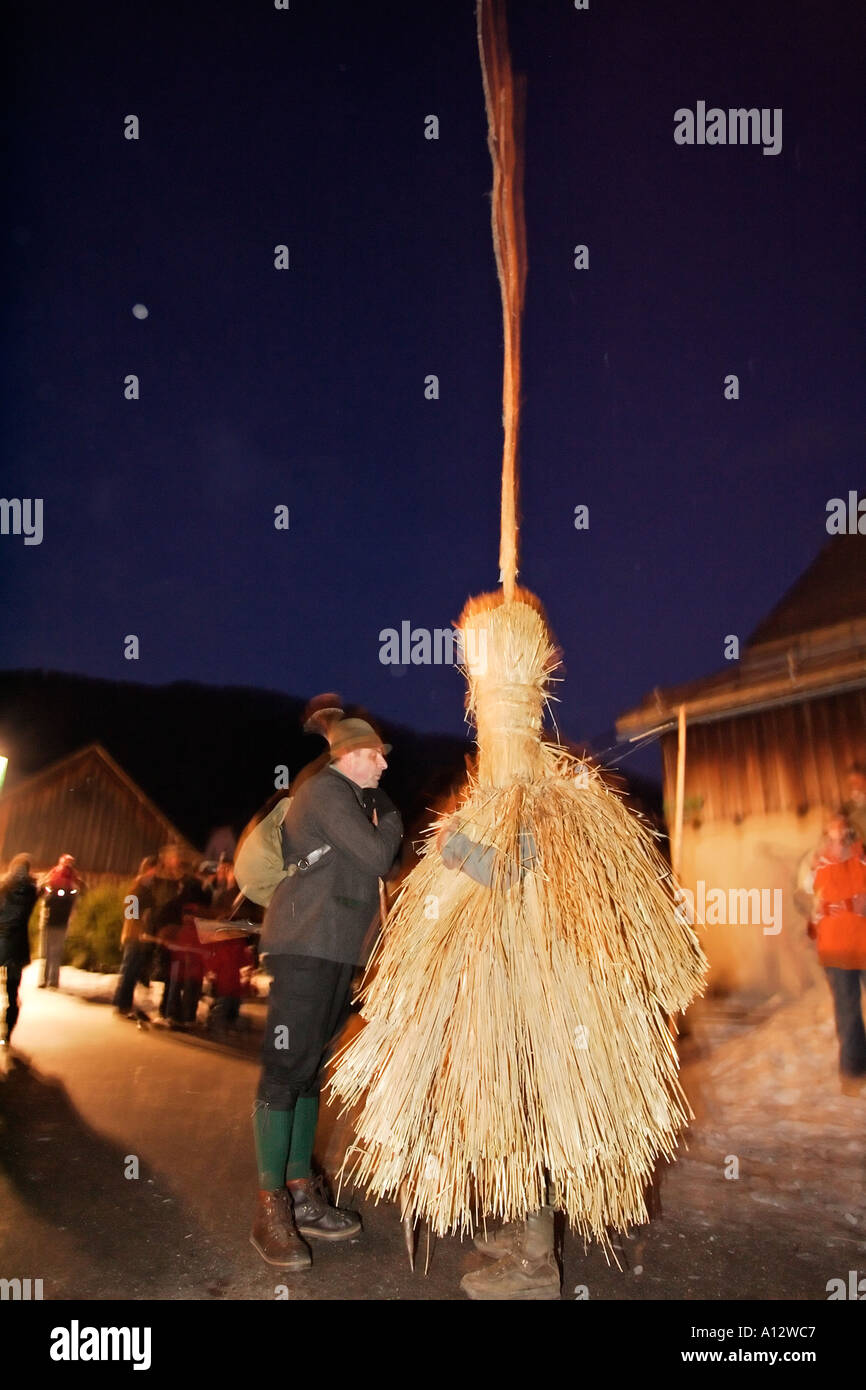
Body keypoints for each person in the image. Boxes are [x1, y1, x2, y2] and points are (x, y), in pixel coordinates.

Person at [250, 717, 402, 1270]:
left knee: (310, 1069)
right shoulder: (325, 792)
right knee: (286, 1068)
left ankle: (300, 1193)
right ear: (351, 755)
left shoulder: (351, 798)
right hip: (306, 946)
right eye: (377, 756)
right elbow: (378, 856)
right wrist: (393, 815)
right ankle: (270, 1208)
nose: (385, 764)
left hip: (336, 950)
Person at [435, 813, 560, 1300]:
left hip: (540, 986)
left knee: (530, 1110)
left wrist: (460, 844)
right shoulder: (509, 802)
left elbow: (510, 873)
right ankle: (527, 1228)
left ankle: (536, 1263)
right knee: (518, 1108)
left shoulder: (541, 807)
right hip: (515, 980)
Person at [810, 812, 866, 1096]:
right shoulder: (817, 865)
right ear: (826, 836)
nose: (839, 838)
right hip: (836, 950)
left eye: (843, 832)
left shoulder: (862, 858)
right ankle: (853, 1075)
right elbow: (809, 902)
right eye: (832, 834)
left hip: (864, 943)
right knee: (848, 1013)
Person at [0, 854, 39, 1044]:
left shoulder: (3, 887)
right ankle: (7, 1030)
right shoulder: (32, 891)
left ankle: (6, 1026)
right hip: (17, 946)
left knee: (10, 989)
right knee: (12, 990)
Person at [113, 855, 158, 1018]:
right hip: (135, 935)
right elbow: (130, 911)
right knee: (129, 970)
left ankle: (123, 1003)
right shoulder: (138, 887)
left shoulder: (147, 888)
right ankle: (122, 1004)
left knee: (132, 970)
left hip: (140, 935)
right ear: (149, 869)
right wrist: (139, 926)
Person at [38, 854, 85, 989]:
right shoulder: (72, 882)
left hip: (49, 920)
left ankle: (45, 979)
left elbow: (43, 894)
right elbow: (78, 896)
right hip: (61, 922)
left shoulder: (53, 876)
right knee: (55, 952)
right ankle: (52, 980)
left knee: (47, 952)